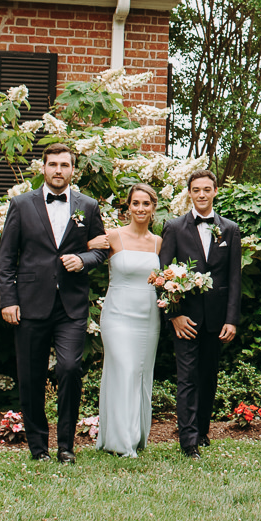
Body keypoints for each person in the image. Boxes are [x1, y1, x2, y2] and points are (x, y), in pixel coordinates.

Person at [0, 143, 107, 463]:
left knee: (70, 369)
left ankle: (66, 445)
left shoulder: (87, 205)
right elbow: (6, 257)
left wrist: (83, 259)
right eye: (53, 164)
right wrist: (8, 299)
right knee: (30, 376)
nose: (59, 170)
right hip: (30, 303)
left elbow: (100, 249)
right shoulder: (20, 205)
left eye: (65, 165)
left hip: (71, 305)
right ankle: (38, 447)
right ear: (43, 168)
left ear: (73, 170)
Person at [161, 169, 243, 456]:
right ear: (190, 193)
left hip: (217, 317)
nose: (202, 194)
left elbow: (234, 278)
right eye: (196, 190)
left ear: (215, 191)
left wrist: (231, 319)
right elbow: (163, 275)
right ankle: (188, 440)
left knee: (208, 377)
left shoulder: (229, 229)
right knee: (187, 377)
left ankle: (203, 431)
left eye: (207, 189)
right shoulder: (174, 227)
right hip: (186, 317)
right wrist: (173, 315)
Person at [88, 183, 162, 457]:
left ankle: (136, 435)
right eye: (135, 203)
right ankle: (120, 441)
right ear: (128, 207)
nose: (140, 208)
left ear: (153, 208)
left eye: (146, 204)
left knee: (141, 373)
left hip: (148, 315)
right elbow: (86, 255)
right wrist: (87, 243)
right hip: (118, 314)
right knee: (125, 369)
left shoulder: (158, 242)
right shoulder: (113, 237)